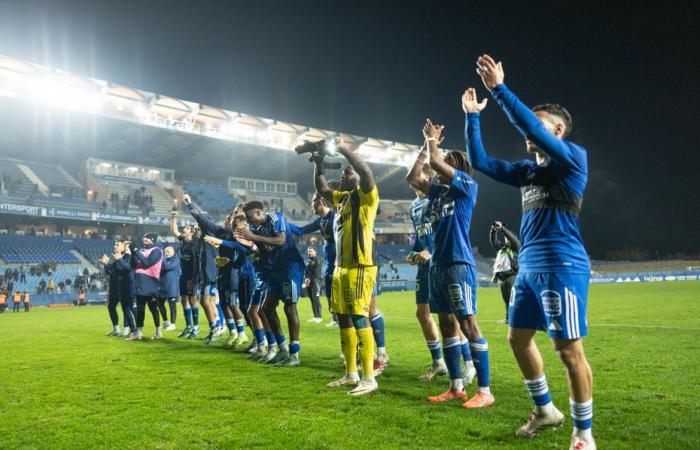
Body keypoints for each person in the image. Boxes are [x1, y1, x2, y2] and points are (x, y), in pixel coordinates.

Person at [466, 54, 594, 450]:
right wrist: (473, 117)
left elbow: (529, 128)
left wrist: (500, 90)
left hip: (562, 265)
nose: (531, 130)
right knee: (518, 339)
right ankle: (545, 410)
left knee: (568, 351)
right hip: (529, 268)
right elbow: (480, 162)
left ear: (557, 130)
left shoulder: (573, 160)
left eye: (540, 124)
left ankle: (583, 434)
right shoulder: (528, 171)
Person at [419, 118, 494, 409]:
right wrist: (423, 149)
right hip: (437, 265)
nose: (439, 166)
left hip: (458, 262)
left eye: (447, 163)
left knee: (468, 323)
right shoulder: (439, 193)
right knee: (447, 324)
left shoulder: (467, 186)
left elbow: (436, 163)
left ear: (456, 167)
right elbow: (415, 177)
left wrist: (432, 142)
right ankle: (456, 388)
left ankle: (485, 391)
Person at [308, 137, 380, 396]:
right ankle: (351, 373)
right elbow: (322, 186)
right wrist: (318, 162)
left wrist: (343, 150)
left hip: (360, 266)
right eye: (344, 170)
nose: (346, 172)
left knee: (361, 317)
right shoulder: (342, 200)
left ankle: (369, 377)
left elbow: (366, 171)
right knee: (344, 319)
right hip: (340, 267)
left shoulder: (368, 196)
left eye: (349, 171)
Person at [233, 200, 305, 366]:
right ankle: (282, 348)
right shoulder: (256, 229)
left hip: (290, 268)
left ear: (258, 213)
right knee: (265, 308)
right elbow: (263, 252)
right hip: (275, 270)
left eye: (250, 218)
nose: (249, 221)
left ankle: (294, 354)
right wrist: (250, 248)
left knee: (289, 307)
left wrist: (253, 237)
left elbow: (280, 240)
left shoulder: (275, 217)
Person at [405, 149, 449, 381]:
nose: (414, 183)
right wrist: (415, 252)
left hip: (441, 261)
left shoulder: (439, 198)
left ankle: (468, 364)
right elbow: (420, 235)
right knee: (423, 313)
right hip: (424, 266)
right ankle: (438, 362)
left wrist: (430, 251)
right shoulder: (413, 206)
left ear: (428, 177)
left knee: (448, 316)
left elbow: (444, 231)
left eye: (419, 176)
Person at [286, 192, 339, 327]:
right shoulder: (320, 221)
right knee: (329, 290)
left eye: (314, 202)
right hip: (329, 258)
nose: (312, 206)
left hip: (339, 260)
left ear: (322, 202)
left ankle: (349, 320)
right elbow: (301, 231)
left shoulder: (335, 217)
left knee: (338, 290)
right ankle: (336, 318)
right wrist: (285, 223)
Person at [183, 194, 225, 344]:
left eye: (199, 226)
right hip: (205, 274)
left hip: (210, 273)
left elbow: (201, 219)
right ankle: (218, 326)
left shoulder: (210, 233)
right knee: (209, 301)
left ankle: (216, 327)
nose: (196, 229)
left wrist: (189, 204)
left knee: (205, 301)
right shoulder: (201, 239)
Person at [127, 232, 164, 340]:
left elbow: (147, 263)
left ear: (153, 239)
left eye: (148, 238)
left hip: (150, 282)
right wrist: (133, 253)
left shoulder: (157, 251)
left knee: (153, 308)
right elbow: (133, 265)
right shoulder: (141, 251)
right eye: (144, 237)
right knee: (140, 308)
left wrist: (135, 251)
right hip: (139, 281)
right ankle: (138, 332)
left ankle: (158, 331)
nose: (145, 239)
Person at [170, 212, 200, 339]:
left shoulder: (194, 244)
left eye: (187, 228)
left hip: (191, 276)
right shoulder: (182, 240)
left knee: (192, 300)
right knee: (183, 300)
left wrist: (192, 279)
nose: (184, 229)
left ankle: (196, 327)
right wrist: (173, 218)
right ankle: (188, 326)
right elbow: (175, 231)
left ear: (192, 232)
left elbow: (196, 263)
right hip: (183, 275)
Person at [490, 221, 521, 323]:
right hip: (501, 278)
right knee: (506, 300)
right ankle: (508, 318)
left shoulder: (516, 247)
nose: (506, 239)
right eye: (505, 238)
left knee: (513, 299)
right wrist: (493, 230)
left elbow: (514, 240)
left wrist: (502, 228)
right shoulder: (502, 247)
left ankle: (517, 318)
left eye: (508, 238)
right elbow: (494, 242)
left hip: (512, 276)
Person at [157, 246, 181, 332]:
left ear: (173, 252)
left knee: (172, 305)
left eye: (168, 251)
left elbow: (167, 267)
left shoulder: (176, 259)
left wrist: (162, 259)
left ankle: (173, 324)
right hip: (162, 285)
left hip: (172, 286)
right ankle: (166, 321)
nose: (166, 253)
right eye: (165, 251)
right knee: (159, 302)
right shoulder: (165, 260)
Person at [303, 246, 323, 323]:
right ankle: (315, 316)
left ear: (315, 252)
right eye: (308, 251)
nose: (309, 252)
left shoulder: (317, 260)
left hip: (316, 281)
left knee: (316, 299)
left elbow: (315, 272)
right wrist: (306, 279)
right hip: (309, 281)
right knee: (312, 299)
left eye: (311, 251)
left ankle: (319, 317)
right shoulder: (308, 261)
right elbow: (306, 272)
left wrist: (309, 279)